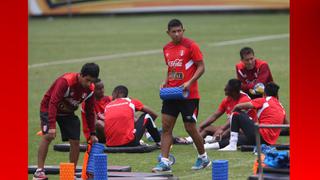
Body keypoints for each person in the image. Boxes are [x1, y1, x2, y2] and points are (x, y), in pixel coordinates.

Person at [152, 19, 210, 173]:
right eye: (174, 31)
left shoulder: (191, 46)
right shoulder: (166, 48)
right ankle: (164, 162)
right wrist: (165, 82)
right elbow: (170, 69)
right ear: (168, 33)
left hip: (189, 95)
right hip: (171, 94)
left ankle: (203, 158)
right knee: (166, 128)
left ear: (183, 30)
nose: (177, 34)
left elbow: (202, 67)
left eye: (179, 31)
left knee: (190, 128)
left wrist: (190, 82)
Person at [33, 63, 100, 180]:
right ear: (81, 75)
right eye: (87, 80)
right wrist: (52, 125)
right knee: (48, 136)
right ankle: (39, 172)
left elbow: (89, 112)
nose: (89, 84)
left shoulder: (90, 89)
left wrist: (93, 133)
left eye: (92, 81)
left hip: (68, 113)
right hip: (49, 108)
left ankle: (71, 173)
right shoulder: (66, 81)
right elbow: (53, 102)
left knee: (75, 141)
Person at [185, 79, 256, 149]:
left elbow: (234, 119)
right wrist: (200, 127)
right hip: (230, 128)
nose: (224, 89)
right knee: (207, 128)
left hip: (245, 130)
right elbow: (215, 115)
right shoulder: (228, 99)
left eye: (227, 89)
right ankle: (195, 141)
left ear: (234, 92)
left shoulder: (244, 100)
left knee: (226, 132)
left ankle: (210, 143)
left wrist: (221, 129)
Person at [219, 82, 287, 151]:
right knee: (241, 139)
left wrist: (232, 117)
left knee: (236, 113)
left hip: (260, 136)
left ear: (264, 93)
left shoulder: (264, 100)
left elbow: (238, 106)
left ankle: (232, 145)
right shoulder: (282, 107)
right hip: (268, 142)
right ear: (277, 95)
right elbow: (287, 126)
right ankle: (210, 145)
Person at [81, 78, 112, 143]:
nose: (102, 90)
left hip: (108, 128)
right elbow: (94, 123)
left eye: (103, 88)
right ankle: (116, 138)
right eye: (99, 89)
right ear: (92, 89)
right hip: (94, 135)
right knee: (99, 123)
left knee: (132, 117)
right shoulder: (87, 103)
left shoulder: (109, 99)